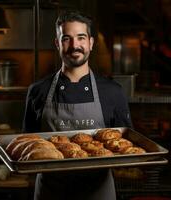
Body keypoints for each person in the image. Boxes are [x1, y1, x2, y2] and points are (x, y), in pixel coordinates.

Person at [23, 10, 132, 200]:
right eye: (67, 38)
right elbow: (28, 144)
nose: (75, 45)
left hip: (98, 191)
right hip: (51, 191)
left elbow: (126, 146)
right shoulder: (37, 91)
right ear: (57, 44)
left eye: (81, 37)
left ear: (90, 43)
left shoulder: (113, 92)